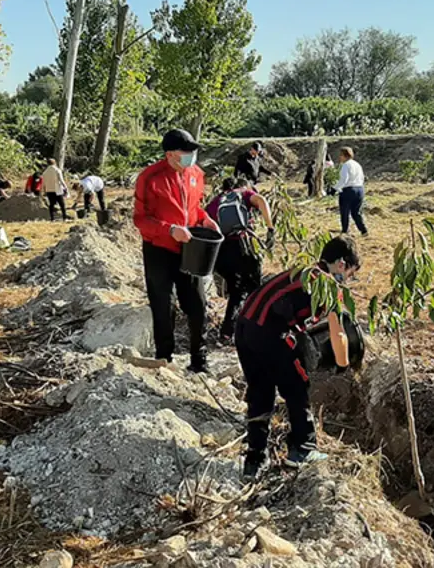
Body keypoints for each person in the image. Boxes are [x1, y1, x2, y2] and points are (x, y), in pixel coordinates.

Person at [235, 235, 358, 479]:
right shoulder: (329, 286)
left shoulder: (301, 272)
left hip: (244, 326)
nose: (350, 281)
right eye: (352, 273)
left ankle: (255, 458)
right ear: (342, 264)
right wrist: (344, 366)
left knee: (260, 390)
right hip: (270, 334)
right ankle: (303, 449)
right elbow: (338, 333)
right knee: (297, 386)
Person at [134, 129, 221, 373]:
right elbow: (141, 219)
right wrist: (169, 229)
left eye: (193, 151)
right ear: (170, 154)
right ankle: (165, 358)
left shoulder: (196, 174)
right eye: (186, 152)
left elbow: (195, 207)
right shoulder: (150, 178)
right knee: (163, 304)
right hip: (158, 249)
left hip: (190, 247)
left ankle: (199, 359)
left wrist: (204, 219)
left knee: (197, 303)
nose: (191, 156)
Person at [205, 177, 275, 341]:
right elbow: (261, 200)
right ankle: (259, 328)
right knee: (255, 291)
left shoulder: (215, 202)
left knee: (237, 292)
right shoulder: (243, 193)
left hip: (222, 252)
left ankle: (227, 332)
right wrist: (270, 228)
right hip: (243, 247)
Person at [333, 147, 367, 236]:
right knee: (356, 212)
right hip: (360, 189)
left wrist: (334, 189)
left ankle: (345, 231)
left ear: (344, 155)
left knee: (345, 212)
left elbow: (344, 179)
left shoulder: (346, 165)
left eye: (340, 155)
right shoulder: (357, 164)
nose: (339, 157)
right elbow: (362, 178)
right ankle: (363, 230)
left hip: (349, 190)